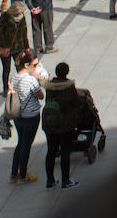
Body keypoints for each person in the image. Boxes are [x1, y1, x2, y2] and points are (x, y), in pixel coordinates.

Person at [40, 61, 82, 189]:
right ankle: (65, 180)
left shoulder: (49, 86)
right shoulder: (69, 86)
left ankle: (50, 180)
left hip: (50, 124)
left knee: (51, 151)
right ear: (66, 72)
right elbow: (77, 104)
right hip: (65, 125)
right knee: (65, 152)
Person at [8, 50, 44, 184]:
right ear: (27, 65)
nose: (36, 67)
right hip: (31, 116)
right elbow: (41, 95)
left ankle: (13, 173)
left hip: (18, 115)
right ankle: (23, 175)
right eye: (35, 65)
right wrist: (39, 79)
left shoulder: (14, 77)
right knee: (26, 146)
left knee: (20, 143)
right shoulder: (30, 80)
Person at [0, 1, 32, 89]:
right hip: (6, 48)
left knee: (20, 68)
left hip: (18, 47)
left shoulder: (22, 18)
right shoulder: (5, 17)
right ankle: (5, 88)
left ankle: (22, 86)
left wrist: (26, 48)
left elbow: (24, 33)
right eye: (19, 12)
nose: (21, 13)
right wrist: (5, 43)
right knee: (6, 69)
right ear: (15, 11)